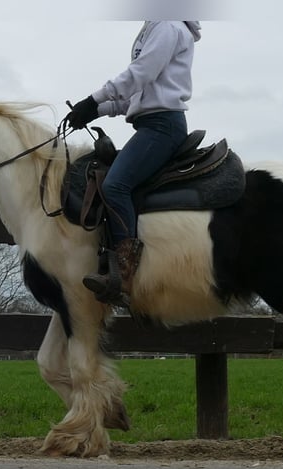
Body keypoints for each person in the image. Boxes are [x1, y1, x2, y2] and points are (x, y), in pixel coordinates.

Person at [66, 20, 202, 304]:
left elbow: (139, 74)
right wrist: (97, 111)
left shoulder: (168, 25)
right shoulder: (157, 25)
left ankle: (124, 275)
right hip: (151, 125)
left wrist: (92, 100)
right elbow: (138, 96)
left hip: (161, 127)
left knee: (115, 186)